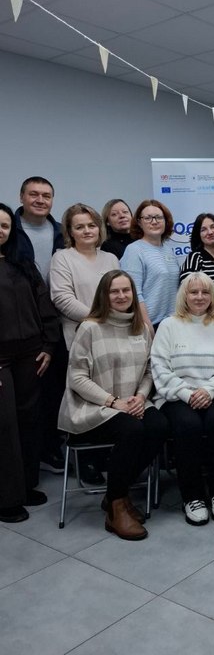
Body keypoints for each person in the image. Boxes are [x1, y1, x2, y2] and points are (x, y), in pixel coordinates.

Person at [58, 270, 167, 540]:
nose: (121, 296)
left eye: (126, 290)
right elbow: (76, 378)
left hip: (132, 402)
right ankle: (117, 504)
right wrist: (113, 402)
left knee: (160, 426)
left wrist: (140, 396)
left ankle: (114, 493)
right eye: (114, 291)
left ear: (133, 294)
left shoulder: (141, 328)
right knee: (132, 431)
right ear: (104, 296)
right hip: (93, 407)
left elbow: (149, 371)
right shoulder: (90, 328)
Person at [151, 273, 214, 525]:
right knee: (187, 425)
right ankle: (192, 496)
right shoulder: (168, 325)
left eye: (205, 292)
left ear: (213, 296)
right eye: (193, 292)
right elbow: (159, 367)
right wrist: (187, 393)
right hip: (178, 395)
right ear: (184, 295)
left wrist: (209, 390)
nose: (199, 297)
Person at [0, 203, 58, 523]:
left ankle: (25, 485)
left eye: (4, 226)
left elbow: (43, 305)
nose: (0, 230)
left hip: (31, 354)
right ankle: (6, 498)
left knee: (29, 420)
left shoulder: (23, 264)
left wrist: (48, 345)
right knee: (5, 424)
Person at [14, 176, 66, 474]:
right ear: (21, 197)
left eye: (46, 195)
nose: (40, 200)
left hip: (59, 319)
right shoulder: (11, 231)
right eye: (33, 194)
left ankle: (51, 446)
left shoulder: (61, 232)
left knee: (56, 387)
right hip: (25, 321)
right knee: (31, 394)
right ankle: (31, 455)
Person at [50, 204, 119, 350]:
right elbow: (62, 298)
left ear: (99, 228)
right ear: (70, 232)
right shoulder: (62, 258)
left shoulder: (111, 259)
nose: (87, 231)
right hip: (81, 339)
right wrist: (101, 319)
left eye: (91, 225)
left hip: (113, 334)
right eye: (79, 227)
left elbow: (120, 294)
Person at [120, 200, 180, 334]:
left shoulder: (168, 249)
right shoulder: (134, 250)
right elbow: (134, 293)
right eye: (148, 218)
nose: (154, 221)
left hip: (173, 323)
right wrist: (147, 326)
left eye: (159, 217)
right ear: (139, 222)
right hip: (150, 325)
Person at [179, 213, 214, 286]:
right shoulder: (195, 257)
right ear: (198, 235)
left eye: (213, 227)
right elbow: (186, 287)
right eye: (203, 230)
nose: (210, 232)